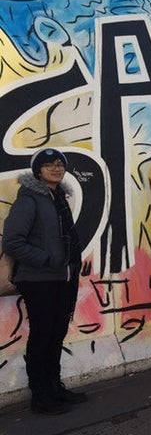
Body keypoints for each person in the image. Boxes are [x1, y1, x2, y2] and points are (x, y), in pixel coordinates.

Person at [2, 148, 87, 414]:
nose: (56, 168)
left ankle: (55, 388)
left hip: (62, 278)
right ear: (38, 170)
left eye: (60, 164)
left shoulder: (57, 198)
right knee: (42, 336)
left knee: (55, 334)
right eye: (49, 164)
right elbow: (12, 242)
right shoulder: (29, 200)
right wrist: (48, 259)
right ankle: (41, 396)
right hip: (38, 279)